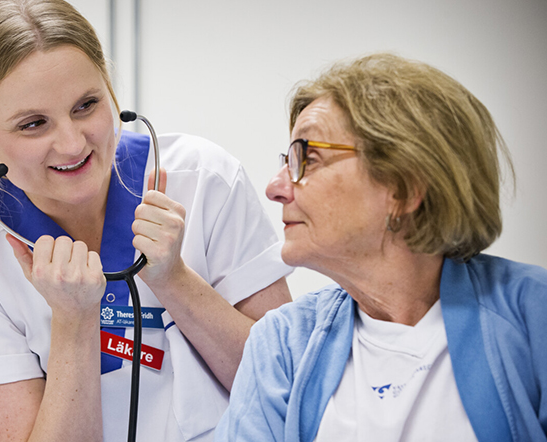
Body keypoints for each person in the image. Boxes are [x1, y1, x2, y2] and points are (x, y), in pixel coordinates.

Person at [0, 1, 293, 441]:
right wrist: (73, 321)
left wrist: (174, 279)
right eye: (33, 124)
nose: (72, 144)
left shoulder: (205, 182)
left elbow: (289, 392)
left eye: (87, 105)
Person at [215, 53, 547, 442]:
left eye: (307, 159)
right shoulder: (282, 345)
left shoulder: (533, 314)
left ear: (404, 188)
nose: (275, 188)